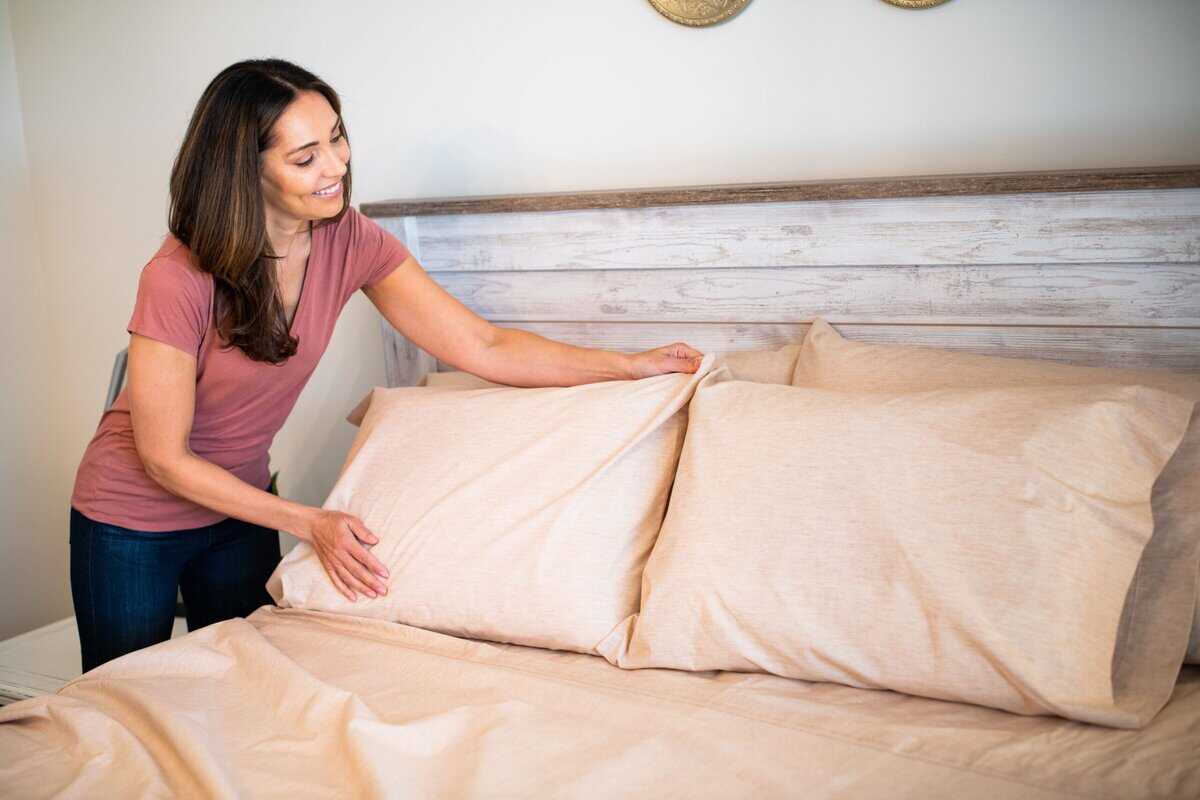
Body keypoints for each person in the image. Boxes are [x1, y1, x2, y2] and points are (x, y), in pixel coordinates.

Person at [68, 58, 704, 673]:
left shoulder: (350, 239)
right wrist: (309, 521)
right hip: (132, 521)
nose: (336, 166)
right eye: (305, 156)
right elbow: (162, 458)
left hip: (241, 511)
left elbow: (482, 346)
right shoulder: (177, 277)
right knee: (122, 705)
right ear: (244, 170)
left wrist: (625, 365)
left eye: (337, 139)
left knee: (242, 691)